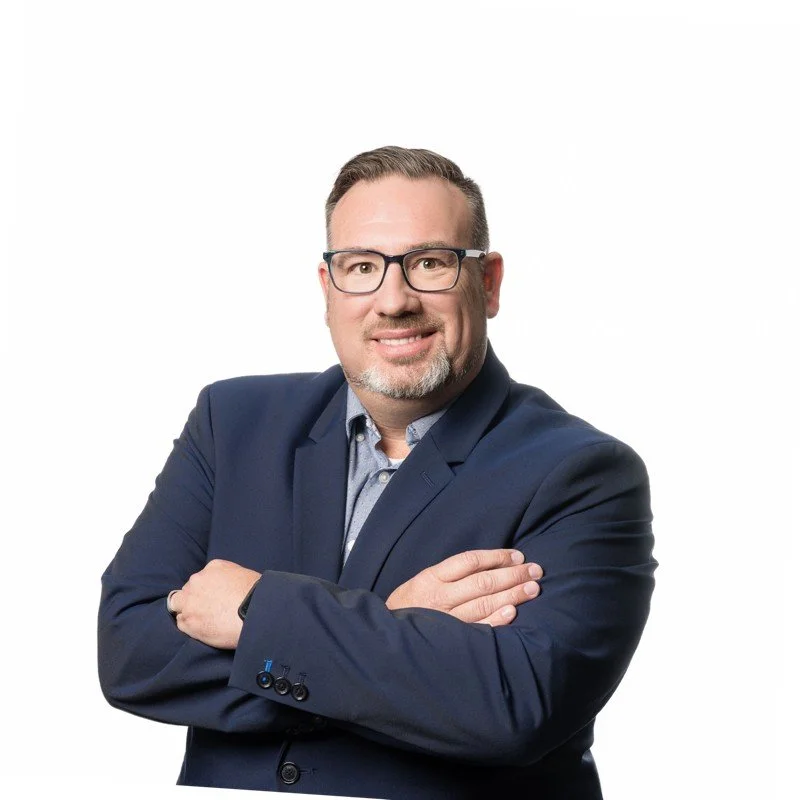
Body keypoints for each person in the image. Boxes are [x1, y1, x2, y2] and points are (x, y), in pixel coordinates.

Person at [98, 145, 656, 799]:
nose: (393, 300)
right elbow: (129, 653)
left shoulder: (582, 472)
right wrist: (394, 628)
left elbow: (515, 707)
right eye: (361, 266)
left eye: (429, 263)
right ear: (328, 288)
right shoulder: (232, 423)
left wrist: (260, 619)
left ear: (489, 282)